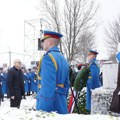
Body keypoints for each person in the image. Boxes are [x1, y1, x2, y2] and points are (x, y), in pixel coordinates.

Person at [36, 30, 70, 114]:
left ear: (50, 42)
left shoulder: (48, 57)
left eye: (43, 41)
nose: (42, 43)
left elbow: (47, 85)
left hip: (50, 104)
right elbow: (67, 83)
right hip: (60, 102)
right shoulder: (63, 58)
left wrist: (43, 110)